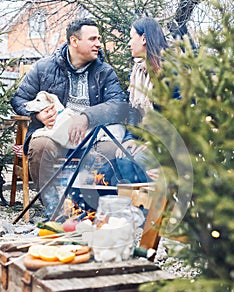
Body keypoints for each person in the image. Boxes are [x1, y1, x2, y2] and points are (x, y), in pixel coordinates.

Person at [11, 18, 128, 217]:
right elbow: (19, 98)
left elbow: (118, 105)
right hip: (55, 132)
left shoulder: (104, 72)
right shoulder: (44, 68)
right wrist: (37, 113)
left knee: (111, 149)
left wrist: (86, 116)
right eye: (92, 39)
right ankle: (54, 210)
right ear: (74, 41)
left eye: (98, 38)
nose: (98, 43)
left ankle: (91, 209)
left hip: (92, 135)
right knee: (40, 147)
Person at [115, 17, 169, 183]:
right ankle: (135, 205)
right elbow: (135, 111)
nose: (129, 43)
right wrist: (131, 137)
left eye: (132, 37)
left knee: (140, 159)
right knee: (123, 157)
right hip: (146, 137)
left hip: (169, 142)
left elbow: (177, 118)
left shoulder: (170, 71)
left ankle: (158, 205)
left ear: (144, 39)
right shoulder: (138, 71)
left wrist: (153, 144)